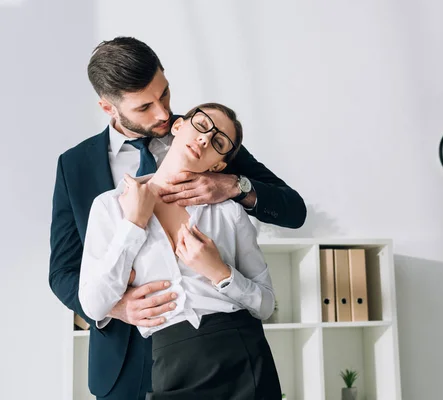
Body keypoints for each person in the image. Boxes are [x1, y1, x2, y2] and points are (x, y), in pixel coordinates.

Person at [49, 36, 305, 400]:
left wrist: (231, 184)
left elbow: (293, 210)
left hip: (225, 352)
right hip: (125, 358)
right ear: (108, 108)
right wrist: (117, 308)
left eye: (165, 94)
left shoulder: (205, 135)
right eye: (145, 107)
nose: (164, 114)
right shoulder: (74, 168)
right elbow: (62, 271)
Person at [79, 102, 282, 399]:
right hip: (172, 361)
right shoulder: (110, 207)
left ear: (218, 166)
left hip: (245, 355)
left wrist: (221, 273)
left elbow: (265, 304)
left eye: (218, 142)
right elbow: (94, 305)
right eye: (202, 125)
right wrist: (134, 225)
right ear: (177, 127)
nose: (204, 139)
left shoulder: (229, 213)